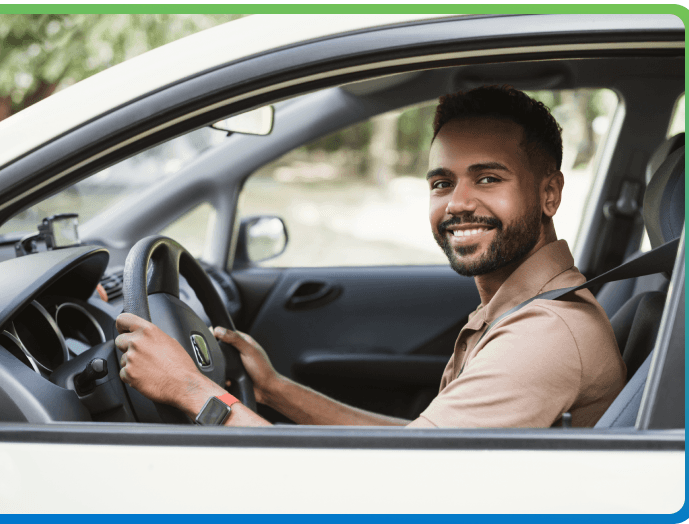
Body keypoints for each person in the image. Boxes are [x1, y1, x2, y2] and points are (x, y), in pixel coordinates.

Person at [114, 85, 626, 428]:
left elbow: (388, 489)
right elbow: (417, 448)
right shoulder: (518, 309)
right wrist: (273, 390)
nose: (458, 203)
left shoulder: (543, 334)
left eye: (488, 178)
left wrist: (188, 388)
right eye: (442, 182)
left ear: (549, 194)